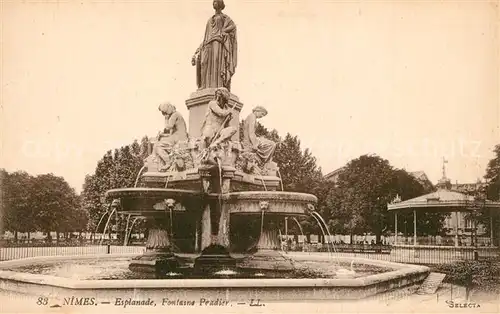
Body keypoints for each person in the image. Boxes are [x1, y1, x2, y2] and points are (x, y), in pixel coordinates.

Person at [191, 0, 237, 91]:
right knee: (204, 62)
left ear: (220, 4)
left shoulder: (224, 18)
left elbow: (233, 26)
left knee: (216, 63)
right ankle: (204, 85)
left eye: (216, 1)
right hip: (208, 44)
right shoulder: (210, 19)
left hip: (217, 42)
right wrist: (198, 49)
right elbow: (205, 36)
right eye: (213, 1)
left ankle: (217, 86)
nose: (214, 3)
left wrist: (224, 31)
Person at [153, 103, 188, 170]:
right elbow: (171, 134)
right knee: (161, 139)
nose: (164, 114)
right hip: (178, 136)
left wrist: (166, 118)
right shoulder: (177, 114)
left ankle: (168, 161)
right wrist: (162, 135)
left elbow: (168, 127)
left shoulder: (175, 115)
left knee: (158, 146)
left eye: (164, 112)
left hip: (179, 138)